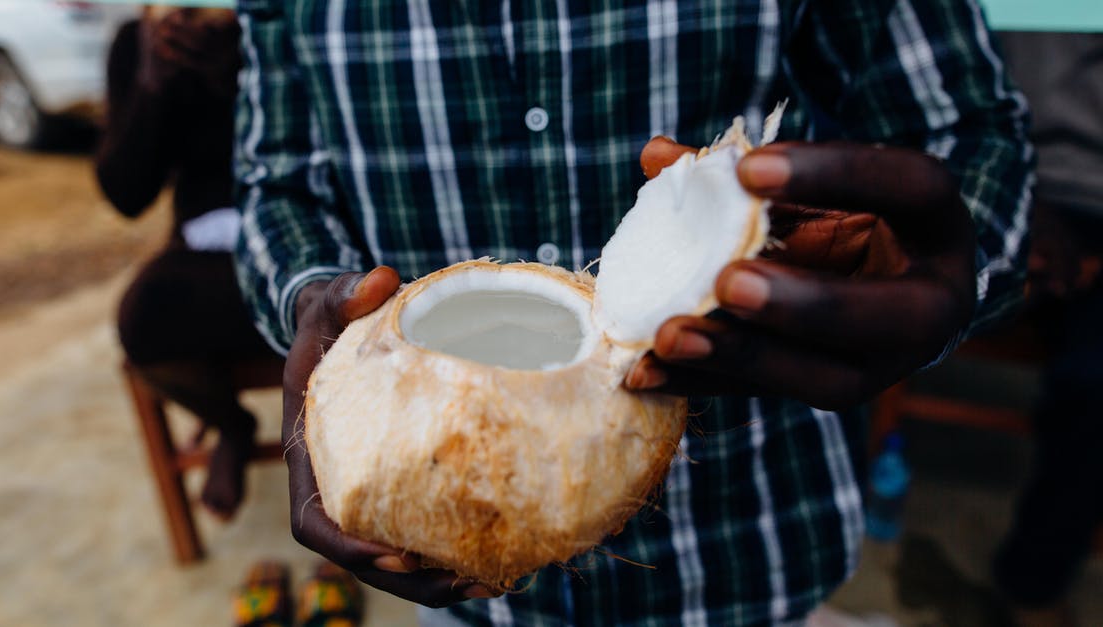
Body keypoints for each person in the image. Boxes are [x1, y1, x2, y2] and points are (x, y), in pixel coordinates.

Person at [232, 1, 1032, 624]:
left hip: (748, 538)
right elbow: (279, 185)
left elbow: (973, 132)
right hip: (457, 569)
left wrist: (955, 268)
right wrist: (314, 298)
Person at [96, 7, 278, 520]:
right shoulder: (142, 42)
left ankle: (318, 438)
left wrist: (249, 74)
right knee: (144, 315)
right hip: (209, 264)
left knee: (336, 295)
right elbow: (126, 194)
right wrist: (152, 84)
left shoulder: (285, 23)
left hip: (303, 236)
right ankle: (231, 423)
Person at [991, 31, 1103, 627]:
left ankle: (1032, 582)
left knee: (1094, 383)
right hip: (1010, 179)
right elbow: (957, 106)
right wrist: (1015, 203)